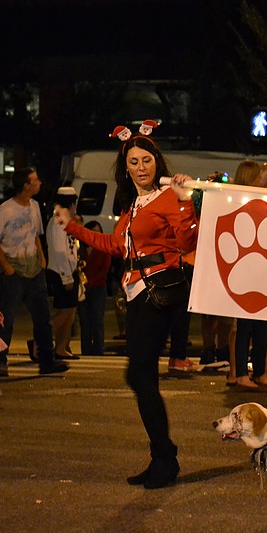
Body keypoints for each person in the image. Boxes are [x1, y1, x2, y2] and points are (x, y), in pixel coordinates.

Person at [56, 123, 198, 489]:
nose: (141, 167)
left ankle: (165, 457)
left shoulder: (168, 197)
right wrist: (72, 228)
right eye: (134, 161)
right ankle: (161, 458)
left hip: (160, 291)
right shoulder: (132, 204)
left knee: (137, 375)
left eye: (147, 160)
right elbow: (118, 247)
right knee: (142, 376)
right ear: (126, 167)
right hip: (137, 293)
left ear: (157, 162)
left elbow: (186, 241)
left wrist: (184, 200)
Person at [0, 166, 69, 375]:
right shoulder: (6, 209)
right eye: (35, 180)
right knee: (6, 318)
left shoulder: (34, 206)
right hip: (13, 269)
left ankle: (47, 361)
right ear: (25, 185)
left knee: (42, 318)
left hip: (33, 268)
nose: (39, 183)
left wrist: (41, 259)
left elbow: (35, 235)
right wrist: (6, 267)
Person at [228, 161, 267, 390]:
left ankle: (259, 371)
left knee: (261, 326)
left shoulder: (263, 199)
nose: (262, 179)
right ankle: (240, 373)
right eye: (258, 176)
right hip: (244, 272)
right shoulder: (237, 202)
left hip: (262, 269)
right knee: (244, 327)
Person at [46, 186, 81, 360]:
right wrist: (67, 276)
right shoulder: (59, 221)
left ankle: (61, 347)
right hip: (61, 272)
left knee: (70, 311)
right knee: (65, 311)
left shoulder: (65, 220)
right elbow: (60, 252)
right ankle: (41, 340)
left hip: (68, 271)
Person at [77, 220, 112, 355]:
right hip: (83, 290)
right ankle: (86, 350)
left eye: (99, 231)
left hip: (98, 288)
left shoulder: (103, 249)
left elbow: (104, 271)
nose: (97, 234)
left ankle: (98, 350)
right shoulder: (81, 249)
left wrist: (89, 282)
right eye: (93, 231)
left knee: (97, 320)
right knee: (84, 321)